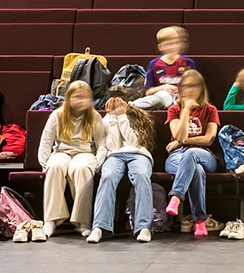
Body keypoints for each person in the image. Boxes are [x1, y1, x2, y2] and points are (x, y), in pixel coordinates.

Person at [36, 80, 102, 238]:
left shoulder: (94, 116)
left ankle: (83, 221)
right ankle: (51, 219)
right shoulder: (57, 115)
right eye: (76, 97)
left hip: (85, 152)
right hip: (62, 151)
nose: (80, 101)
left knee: (81, 169)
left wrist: (98, 164)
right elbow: (46, 141)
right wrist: (45, 164)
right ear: (69, 98)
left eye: (84, 97)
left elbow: (103, 145)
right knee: (55, 167)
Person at [88, 91, 156, 243]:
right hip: (114, 155)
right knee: (108, 176)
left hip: (139, 154)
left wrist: (123, 116)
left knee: (141, 176)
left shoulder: (138, 117)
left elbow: (133, 142)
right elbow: (113, 145)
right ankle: (99, 226)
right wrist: (113, 117)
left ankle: (144, 226)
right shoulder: (105, 120)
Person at [160, 69, 220, 236]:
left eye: (194, 86)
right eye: (186, 86)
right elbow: (179, 134)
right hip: (176, 157)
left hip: (204, 155)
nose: (190, 90)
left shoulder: (210, 109)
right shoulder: (174, 109)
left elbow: (208, 139)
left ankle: (176, 196)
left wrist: (181, 142)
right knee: (196, 171)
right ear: (181, 89)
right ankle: (200, 221)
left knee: (191, 153)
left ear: (201, 88)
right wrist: (185, 110)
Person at [147, 25, 197, 92]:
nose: (172, 47)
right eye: (168, 44)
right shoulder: (154, 64)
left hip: (182, 97)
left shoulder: (188, 63)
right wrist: (162, 88)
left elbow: (196, 87)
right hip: (162, 97)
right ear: (160, 47)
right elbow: (148, 91)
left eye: (175, 43)